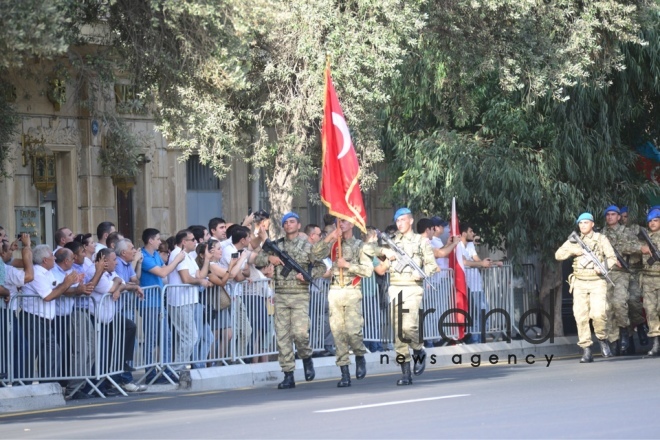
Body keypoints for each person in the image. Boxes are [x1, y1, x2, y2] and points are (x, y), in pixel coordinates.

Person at [377, 208, 438, 386]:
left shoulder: (421, 241)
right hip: (395, 288)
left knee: (410, 326)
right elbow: (380, 263)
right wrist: (385, 253)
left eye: (403, 220)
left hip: (412, 288)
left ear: (411, 221)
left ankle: (418, 350)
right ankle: (406, 374)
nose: (400, 224)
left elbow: (432, 266)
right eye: (397, 221)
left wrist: (422, 273)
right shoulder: (392, 242)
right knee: (398, 334)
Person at [255, 212, 316, 389]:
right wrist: (269, 258)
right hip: (281, 295)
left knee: (300, 334)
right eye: (286, 222)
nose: (289, 225)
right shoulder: (276, 245)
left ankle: (306, 357)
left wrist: (308, 276)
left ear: (298, 225)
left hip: (299, 294)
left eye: (292, 222)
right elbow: (257, 259)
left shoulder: (308, 246)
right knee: (282, 337)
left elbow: (319, 266)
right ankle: (288, 374)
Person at [312, 218, 373, 387]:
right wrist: (330, 237)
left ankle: (360, 355)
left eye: (345, 222)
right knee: (338, 334)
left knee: (353, 332)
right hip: (335, 291)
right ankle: (344, 372)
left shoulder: (360, 245)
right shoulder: (334, 244)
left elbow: (368, 270)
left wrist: (347, 265)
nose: (341, 225)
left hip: (351, 290)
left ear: (352, 224)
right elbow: (315, 254)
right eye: (339, 222)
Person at [555, 212, 617, 363]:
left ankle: (602, 338)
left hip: (597, 282)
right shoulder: (574, 241)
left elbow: (612, 258)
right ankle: (586, 349)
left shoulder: (601, 239)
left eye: (586, 223)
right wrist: (573, 251)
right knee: (580, 316)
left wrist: (603, 267)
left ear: (592, 224)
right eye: (580, 223)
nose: (583, 226)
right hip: (580, 283)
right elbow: (558, 254)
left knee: (598, 314)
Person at [601, 205, 641, 355]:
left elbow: (637, 247)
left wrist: (621, 251)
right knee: (608, 309)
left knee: (619, 303)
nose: (610, 217)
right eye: (608, 215)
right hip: (606, 273)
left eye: (613, 214)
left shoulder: (627, 232)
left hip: (622, 272)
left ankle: (625, 331)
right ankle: (613, 341)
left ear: (619, 217)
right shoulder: (601, 234)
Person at [619, 205, 649, 350]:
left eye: (626, 216)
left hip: (636, 271)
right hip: (620, 272)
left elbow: (646, 245)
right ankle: (629, 340)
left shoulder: (639, 230)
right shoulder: (617, 232)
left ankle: (641, 326)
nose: (624, 219)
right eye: (622, 216)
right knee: (621, 306)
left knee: (634, 301)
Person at [640, 208, 660, 356]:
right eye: (650, 221)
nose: (652, 223)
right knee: (651, 311)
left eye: (656, 220)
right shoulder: (644, 239)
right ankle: (655, 342)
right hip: (648, 279)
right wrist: (641, 248)